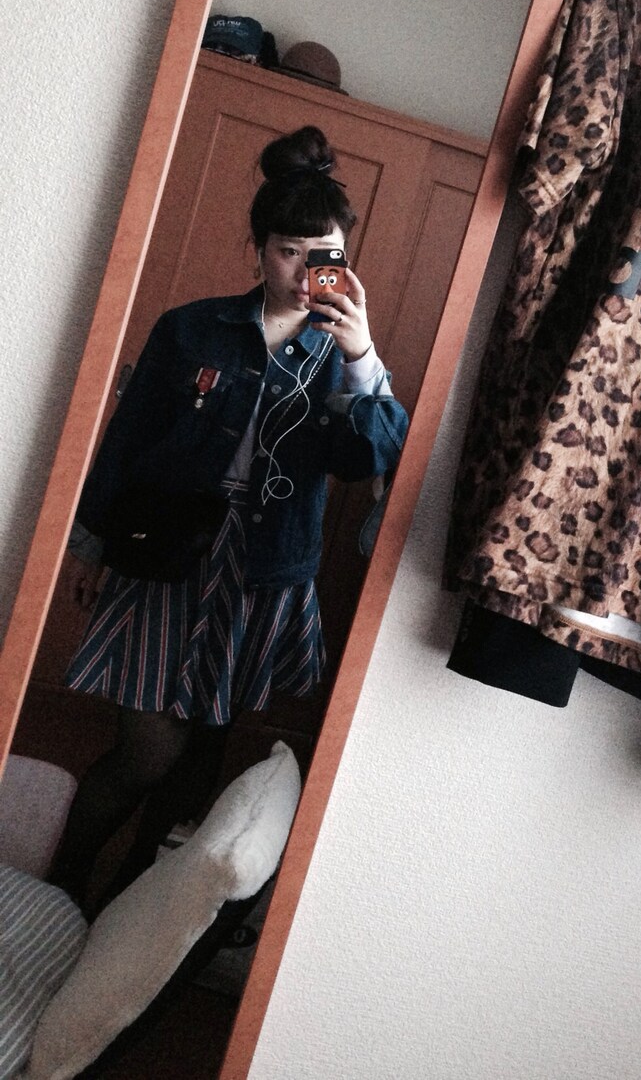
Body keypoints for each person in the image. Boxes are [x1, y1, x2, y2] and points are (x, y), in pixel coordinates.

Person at [49, 125, 408, 908]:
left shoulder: (343, 354)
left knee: (203, 754)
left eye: (324, 255)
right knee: (147, 750)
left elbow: (372, 456)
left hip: (264, 574)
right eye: (288, 251)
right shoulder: (193, 328)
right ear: (258, 249)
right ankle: (62, 883)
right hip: (166, 556)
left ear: (345, 259)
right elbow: (128, 439)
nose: (305, 272)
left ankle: (131, 905)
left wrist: (362, 356)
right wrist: (89, 544)